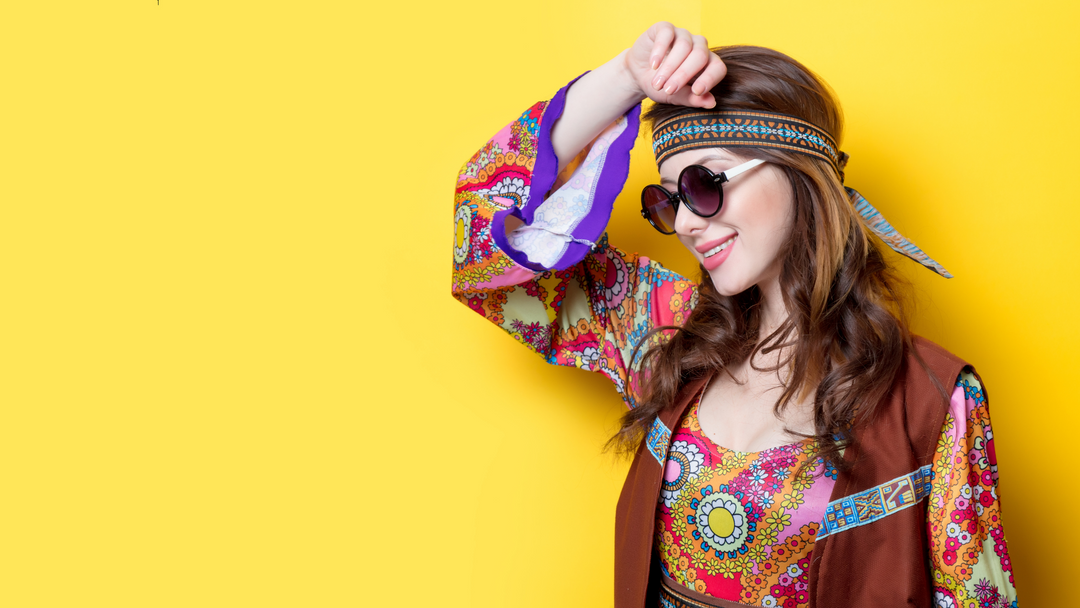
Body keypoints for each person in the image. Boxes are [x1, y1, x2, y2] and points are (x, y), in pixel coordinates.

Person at [450, 22, 1017, 608]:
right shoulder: (665, 328)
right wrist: (624, 78)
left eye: (703, 183)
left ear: (801, 171)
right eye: (667, 200)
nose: (687, 223)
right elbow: (481, 252)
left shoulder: (929, 398)